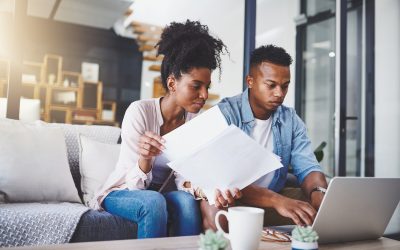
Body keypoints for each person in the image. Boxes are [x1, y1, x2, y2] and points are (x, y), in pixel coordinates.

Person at [90, 20, 234, 238]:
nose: (204, 95)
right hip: (123, 191)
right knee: (153, 202)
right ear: (172, 83)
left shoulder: (196, 121)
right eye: (196, 86)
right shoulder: (139, 112)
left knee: (186, 203)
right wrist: (145, 159)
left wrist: (204, 189)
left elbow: (183, 178)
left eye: (207, 87)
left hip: (162, 194)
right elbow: (134, 187)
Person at [201, 44, 328, 230]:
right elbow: (222, 180)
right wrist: (278, 201)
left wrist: (319, 195)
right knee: (215, 210)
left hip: (272, 197)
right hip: (233, 200)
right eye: (271, 85)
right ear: (250, 81)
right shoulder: (225, 114)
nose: (279, 93)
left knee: (323, 207)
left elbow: (308, 166)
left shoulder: (290, 120)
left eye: (285, 86)